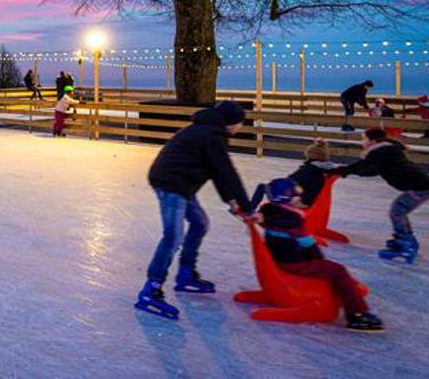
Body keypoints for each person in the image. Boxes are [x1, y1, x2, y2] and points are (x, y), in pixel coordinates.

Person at [135, 100, 254, 321]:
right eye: (239, 124)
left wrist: (232, 201)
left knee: (200, 223)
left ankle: (186, 273)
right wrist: (245, 207)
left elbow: (218, 173)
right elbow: (226, 172)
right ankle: (151, 289)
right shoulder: (211, 135)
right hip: (171, 184)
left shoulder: (208, 131)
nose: (240, 128)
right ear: (231, 122)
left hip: (182, 184)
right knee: (173, 237)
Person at [258, 178, 384, 331]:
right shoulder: (292, 219)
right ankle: (357, 314)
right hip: (294, 262)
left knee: (330, 269)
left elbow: (266, 223)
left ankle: (347, 295)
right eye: (296, 194)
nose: (300, 197)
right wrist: (318, 260)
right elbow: (307, 245)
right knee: (338, 270)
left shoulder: (269, 212)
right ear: (286, 197)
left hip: (281, 257)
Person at [336, 128, 429, 263]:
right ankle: (405, 239)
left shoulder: (380, 151)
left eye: (363, 139)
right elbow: (372, 170)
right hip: (420, 184)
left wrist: (340, 170)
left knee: (397, 211)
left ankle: (405, 243)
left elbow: (362, 166)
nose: (362, 142)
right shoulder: (385, 150)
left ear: (372, 141)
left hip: (420, 186)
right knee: (399, 211)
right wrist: (346, 172)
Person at [287, 139, 337, 206]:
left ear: (309, 155)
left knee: (279, 199)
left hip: (304, 200)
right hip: (315, 199)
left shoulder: (310, 169)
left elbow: (291, 179)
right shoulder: (326, 168)